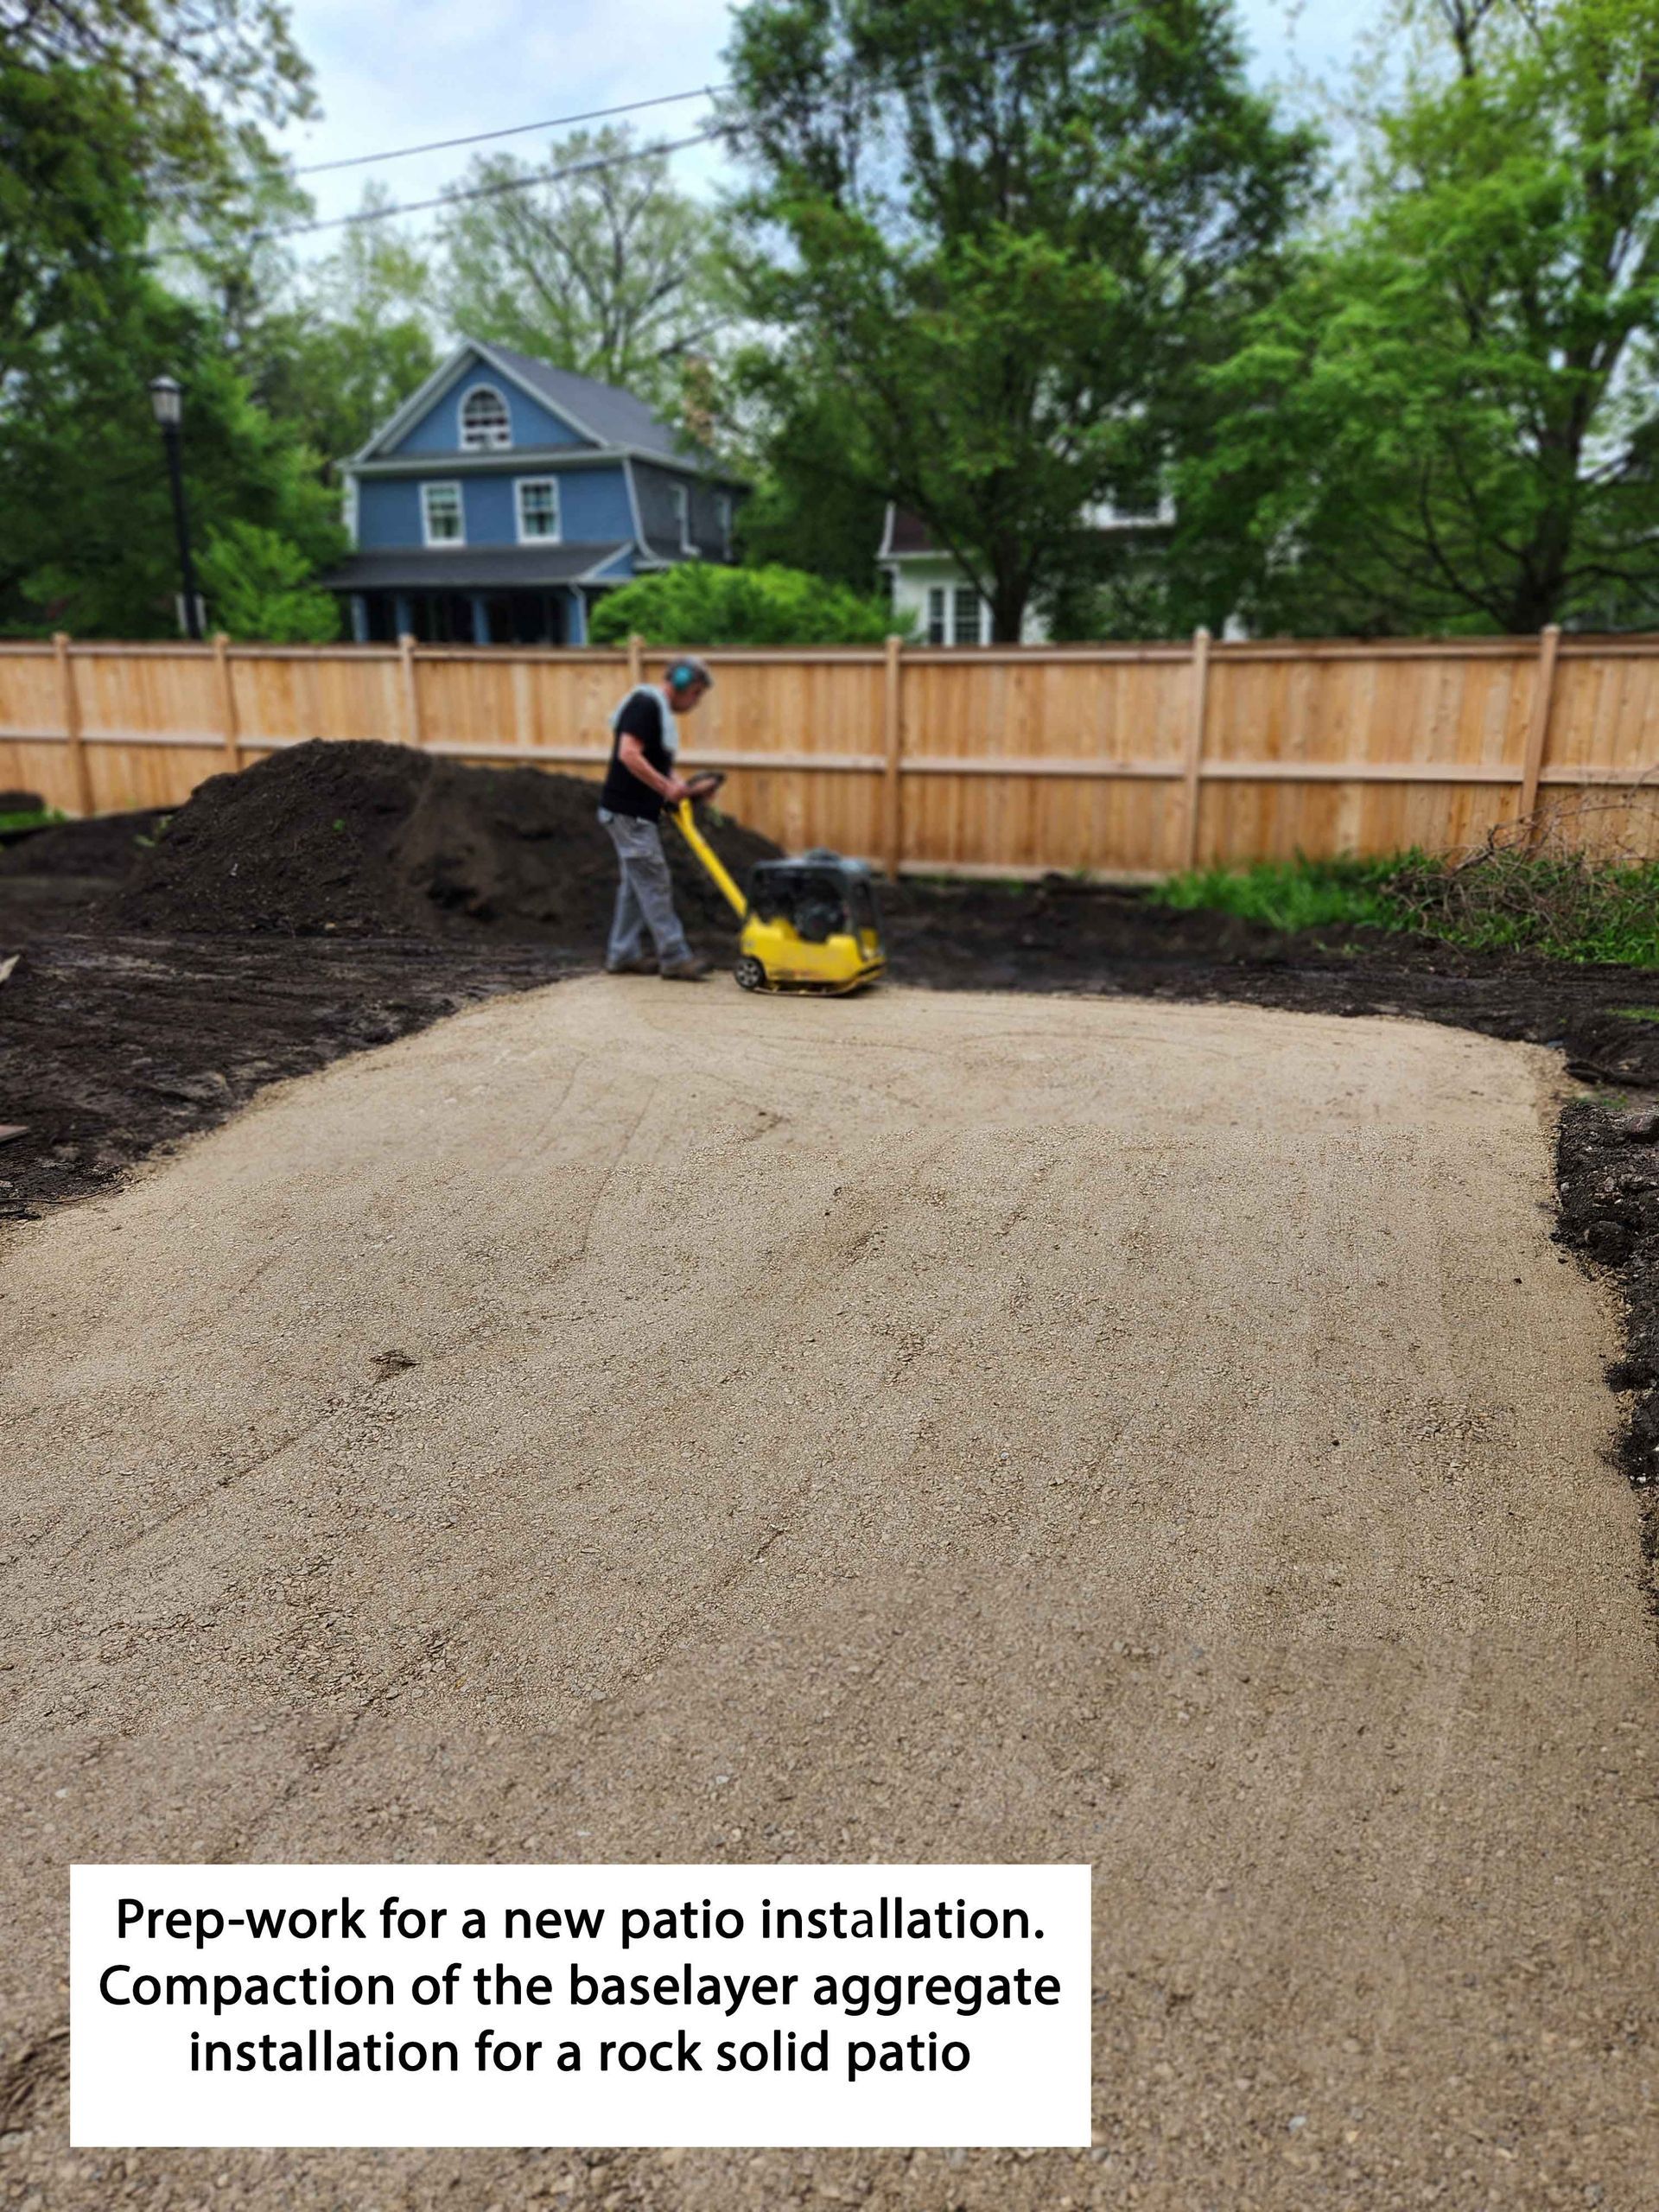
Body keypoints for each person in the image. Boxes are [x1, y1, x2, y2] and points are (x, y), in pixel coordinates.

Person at [597, 656, 715, 981]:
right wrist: (666, 788)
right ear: (682, 683)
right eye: (696, 694)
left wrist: (684, 788)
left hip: (631, 812)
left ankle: (622, 954)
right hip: (628, 812)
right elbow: (629, 754)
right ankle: (675, 956)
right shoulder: (646, 705)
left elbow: (655, 762)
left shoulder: (655, 710)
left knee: (636, 886)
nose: (695, 702)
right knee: (654, 881)